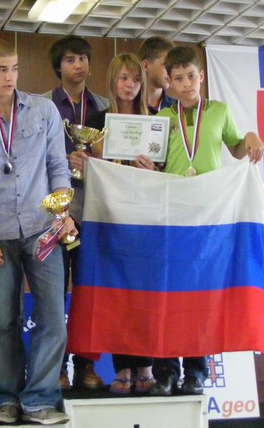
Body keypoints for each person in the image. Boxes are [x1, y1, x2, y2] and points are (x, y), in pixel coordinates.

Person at [0, 39, 76, 425]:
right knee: (4, 320)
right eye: (2, 69)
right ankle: (5, 398)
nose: (10, 77)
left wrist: (63, 211)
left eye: (15, 68)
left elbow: (58, 165)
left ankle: (39, 399)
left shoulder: (43, 111)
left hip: (44, 230)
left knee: (53, 317)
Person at [150, 46, 264, 396]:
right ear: (169, 83)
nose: (186, 84)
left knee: (201, 294)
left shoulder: (219, 111)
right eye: (179, 78)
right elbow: (154, 163)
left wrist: (250, 137)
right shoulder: (162, 119)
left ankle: (197, 371)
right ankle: (165, 371)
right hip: (171, 215)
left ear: (201, 76)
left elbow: (236, 148)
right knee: (168, 294)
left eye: (191, 76)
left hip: (208, 216)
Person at [43, 35, 108, 391]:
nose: (78, 65)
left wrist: (94, 161)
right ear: (58, 67)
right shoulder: (41, 106)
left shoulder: (106, 107)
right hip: (57, 209)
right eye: (70, 59)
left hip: (94, 209)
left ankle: (85, 366)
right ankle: (56, 368)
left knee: (88, 292)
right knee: (55, 292)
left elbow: (115, 159)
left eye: (82, 58)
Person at [90, 53, 156, 394]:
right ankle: (122, 368)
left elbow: (166, 172)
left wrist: (154, 170)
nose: (129, 85)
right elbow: (90, 165)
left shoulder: (156, 122)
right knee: (118, 296)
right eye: (123, 78)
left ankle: (145, 365)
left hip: (146, 221)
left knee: (144, 297)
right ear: (112, 81)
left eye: (135, 79)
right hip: (111, 219)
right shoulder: (97, 121)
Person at [138, 36, 176, 114]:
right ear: (145, 65)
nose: (171, 71)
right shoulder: (127, 105)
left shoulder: (177, 108)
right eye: (166, 65)